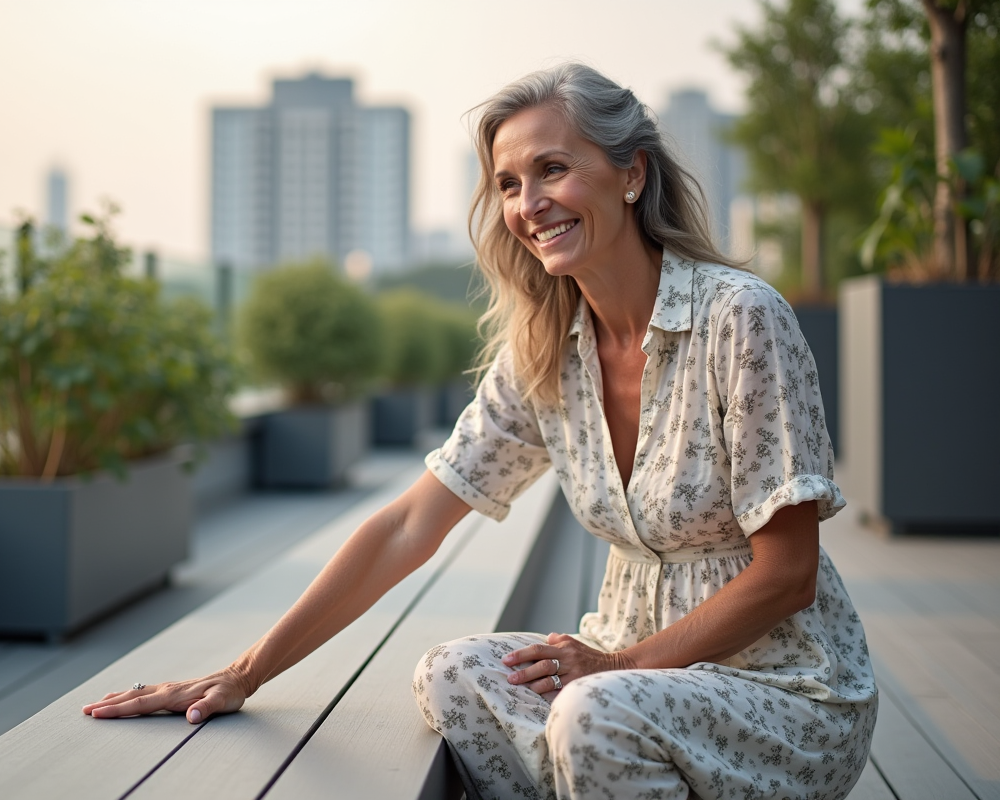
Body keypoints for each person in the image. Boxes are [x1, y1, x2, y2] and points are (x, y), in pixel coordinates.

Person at [83, 62, 877, 800]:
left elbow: (788, 574)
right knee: (452, 674)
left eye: (553, 169)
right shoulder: (545, 352)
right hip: (622, 679)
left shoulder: (741, 319)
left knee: (590, 714)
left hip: (780, 691)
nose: (528, 203)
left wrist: (617, 667)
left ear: (632, 173)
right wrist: (243, 673)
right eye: (508, 183)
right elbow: (406, 527)